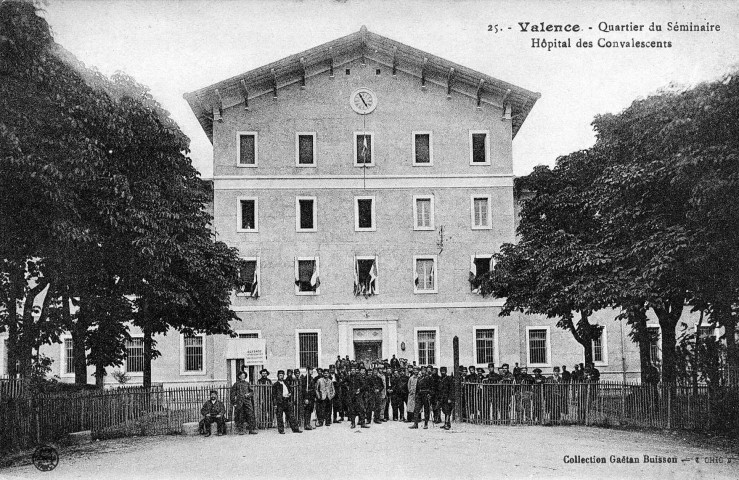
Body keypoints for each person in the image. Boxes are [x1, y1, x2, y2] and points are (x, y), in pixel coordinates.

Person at [230, 370, 258, 435]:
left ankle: (251, 429)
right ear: (239, 377)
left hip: (247, 402)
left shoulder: (247, 383)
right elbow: (232, 394)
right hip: (239, 402)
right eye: (241, 376)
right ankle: (240, 430)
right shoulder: (236, 384)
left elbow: (252, 392)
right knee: (240, 416)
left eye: (244, 376)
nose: (243, 377)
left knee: (250, 415)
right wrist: (234, 403)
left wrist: (248, 394)